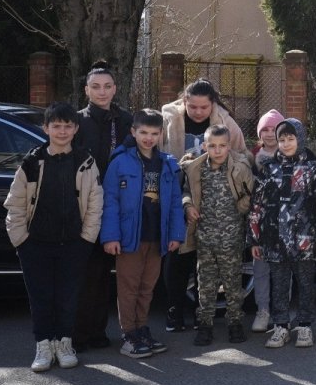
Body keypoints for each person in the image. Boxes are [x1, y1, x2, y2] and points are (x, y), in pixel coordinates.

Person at [5, 102, 104, 372]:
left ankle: (64, 343)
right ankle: (44, 345)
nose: (62, 131)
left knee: (68, 297)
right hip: (35, 244)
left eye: (67, 126)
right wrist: (21, 240)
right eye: (56, 126)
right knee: (41, 297)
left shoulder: (85, 162)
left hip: (73, 243)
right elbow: (14, 204)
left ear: (75, 129)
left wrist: (86, 240)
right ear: (46, 128)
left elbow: (95, 204)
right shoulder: (31, 163)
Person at [160, 78, 245, 333]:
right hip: (177, 195)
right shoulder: (169, 120)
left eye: (203, 108)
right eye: (192, 106)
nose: (197, 112)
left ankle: (202, 313)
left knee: (203, 259)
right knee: (177, 256)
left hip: (212, 200)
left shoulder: (226, 122)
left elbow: (241, 153)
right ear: (184, 101)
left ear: (213, 105)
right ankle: (174, 310)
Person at [101, 109, 186, 359]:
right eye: (143, 133)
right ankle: (129, 333)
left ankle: (142, 328)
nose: (148, 138)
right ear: (133, 132)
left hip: (156, 236)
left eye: (154, 133)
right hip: (129, 238)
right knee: (129, 286)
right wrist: (110, 236)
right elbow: (110, 201)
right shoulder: (120, 162)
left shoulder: (167, 164)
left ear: (161, 134)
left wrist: (175, 234)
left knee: (147, 286)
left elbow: (173, 203)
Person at [72, 64, 134, 353]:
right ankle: (80, 333)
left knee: (108, 272)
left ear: (115, 88)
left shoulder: (125, 121)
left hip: (119, 205)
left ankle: (100, 331)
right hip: (85, 206)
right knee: (87, 273)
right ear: (86, 90)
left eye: (107, 86)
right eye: (95, 87)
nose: (102, 92)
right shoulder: (77, 122)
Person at [249, 118, 316, 350]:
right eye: (282, 139)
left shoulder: (312, 169)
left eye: (291, 139)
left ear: (300, 139)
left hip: (304, 239)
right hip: (274, 239)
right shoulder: (268, 168)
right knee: (279, 284)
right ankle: (281, 325)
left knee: (305, 284)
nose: (286, 143)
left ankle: (304, 325)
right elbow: (257, 206)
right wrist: (255, 237)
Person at [182, 125, 254, 347]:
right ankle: (205, 325)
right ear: (204, 146)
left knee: (233, 283)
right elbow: (186, 191)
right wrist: (187, 206)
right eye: (212, 146)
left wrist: (242, 209)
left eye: (222, 145)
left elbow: (251, 192)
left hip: (231, 238)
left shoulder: (239, 168)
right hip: (205, 238)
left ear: (229, 146)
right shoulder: (197, 169)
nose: (218, 150)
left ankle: (235, 323)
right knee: (205, 283)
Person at [249, 108, 284, 333]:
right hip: (260, 222)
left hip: (284, 221)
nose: (270, 134)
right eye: (265, 129)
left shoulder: (290, 154)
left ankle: (281, 311)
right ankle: (263, 310)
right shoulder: (251, 157)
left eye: (274, 129)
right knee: (261, 268)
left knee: (283, 270)